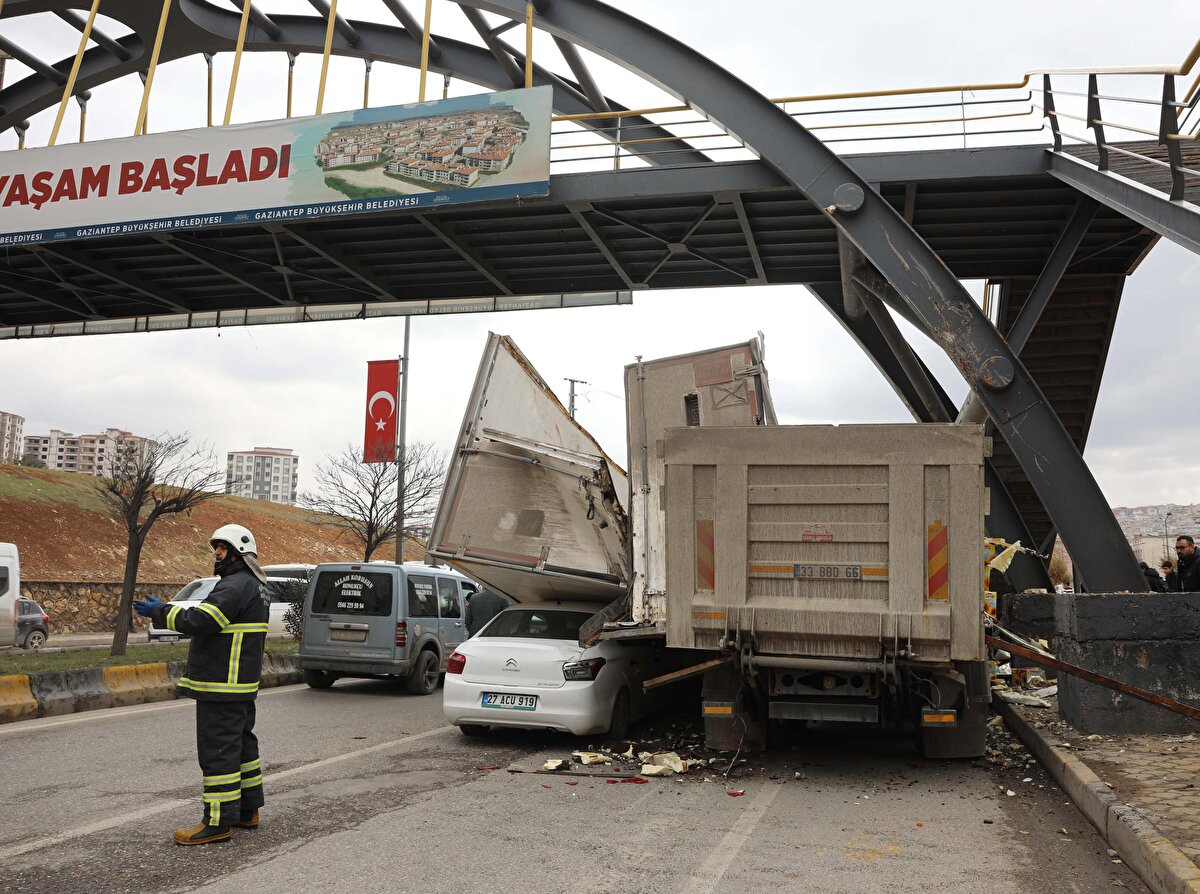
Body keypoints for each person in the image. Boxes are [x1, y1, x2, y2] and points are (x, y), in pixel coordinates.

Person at [135, 524, 271, 846]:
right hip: (240, 686)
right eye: (216, 548)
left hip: (221, 685)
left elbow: (203, 621)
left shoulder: (234, 585)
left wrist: (160, 612)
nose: (217, 553)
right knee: (242, 749)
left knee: (219, 753)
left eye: (223, 548)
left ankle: (217, 823)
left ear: (239, 552)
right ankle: (247, 810)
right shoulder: (255, 586)